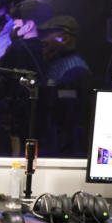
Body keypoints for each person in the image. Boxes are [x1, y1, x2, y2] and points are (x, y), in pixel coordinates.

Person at [0, 0, 53, 156]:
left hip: (15, 125)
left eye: (16, 23)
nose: (13, 28)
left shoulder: (17, 50)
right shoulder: (48, 52)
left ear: (28, 26)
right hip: (40, 124)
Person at [37, 15, 94, 157]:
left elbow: (69, 120)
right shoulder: (57, 64)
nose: (41, 40)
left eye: (47, 34)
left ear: (65, 38)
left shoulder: (75, 70)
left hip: (63, 153)